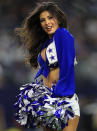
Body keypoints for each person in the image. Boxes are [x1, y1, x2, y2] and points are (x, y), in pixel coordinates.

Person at [14, 1, 80, 131]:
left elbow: (67, 68)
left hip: (64, 100)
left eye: (50, 17)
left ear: (58, 19)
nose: (47, 23)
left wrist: (58, 97)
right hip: (48, 101)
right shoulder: (45, 43)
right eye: (42, 20)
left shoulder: (63, 35)